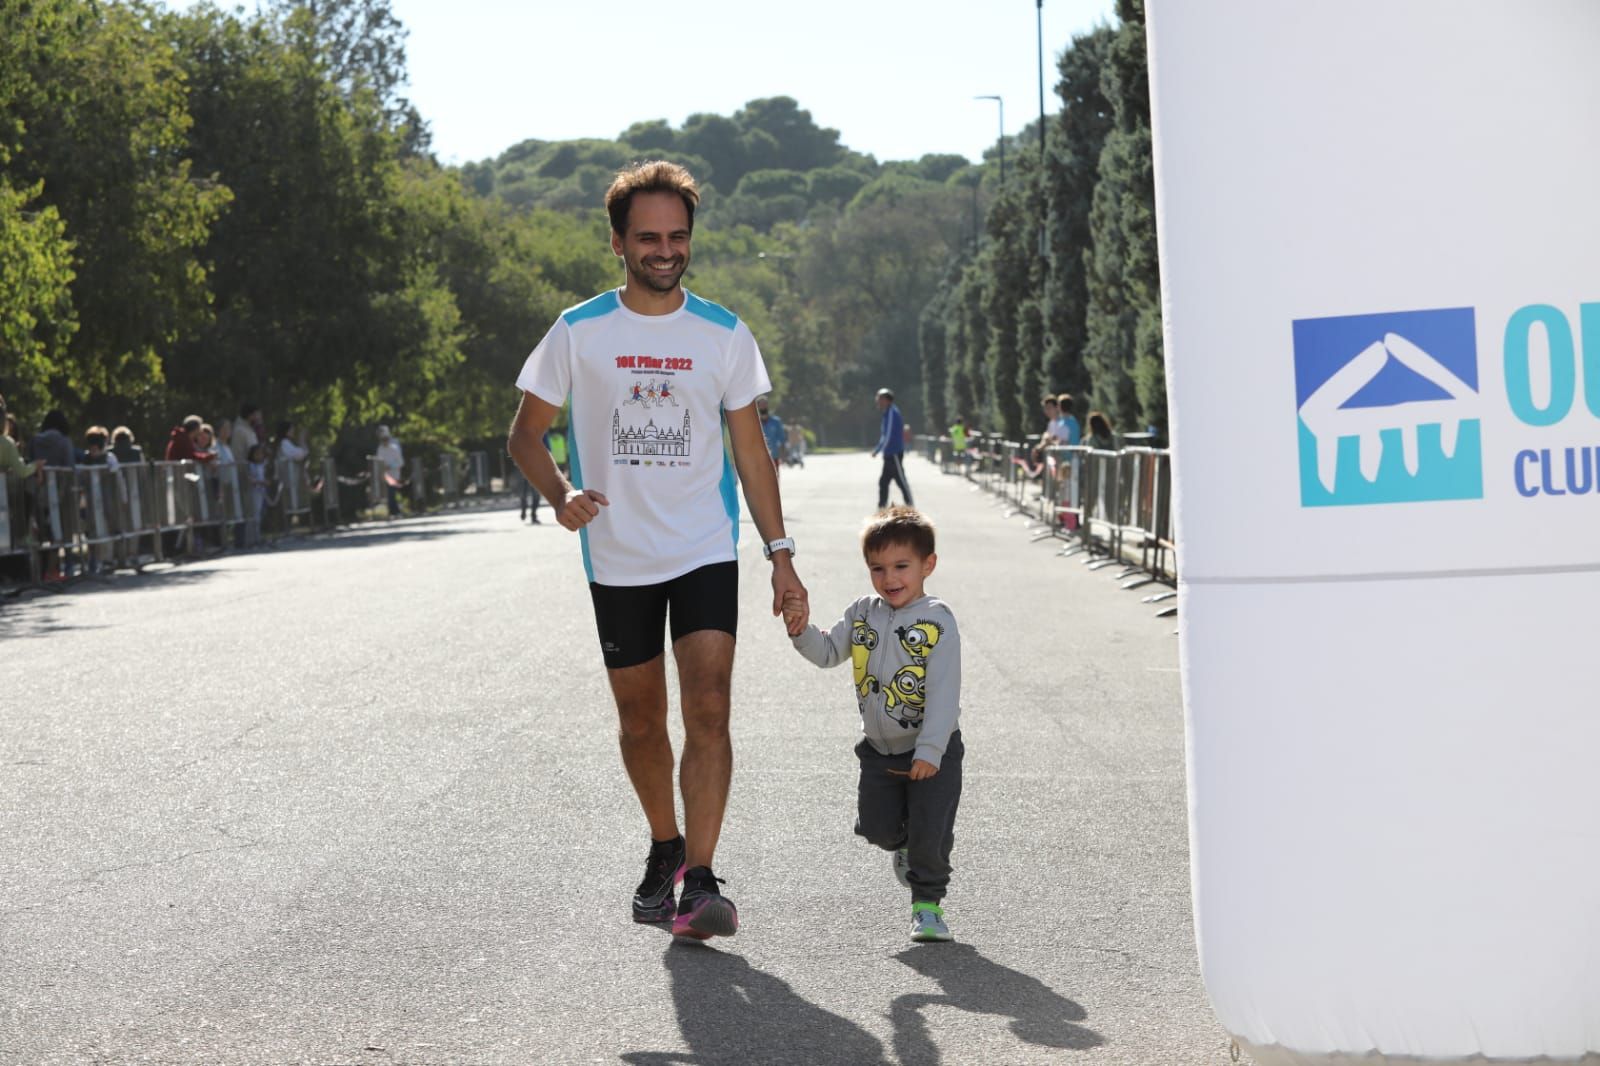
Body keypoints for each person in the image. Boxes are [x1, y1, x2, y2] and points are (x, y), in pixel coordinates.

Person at [507, 160, 808, 941]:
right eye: (648, 237)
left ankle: (702, 879)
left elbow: (751, 454)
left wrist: (780, 554)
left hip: (705, 547)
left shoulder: (725, 335)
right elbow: (525, 433)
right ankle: (665, 846)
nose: (665, 249)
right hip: (617, 555)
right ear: (618, 243)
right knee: (642, 721)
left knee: (709, 704)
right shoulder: (578, 331)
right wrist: (559, 493)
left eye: (677, 236)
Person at [782, 506, 963, 943]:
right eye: (877, 568)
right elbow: (828, 652)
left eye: (902, 566)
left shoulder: (936, 620)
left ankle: (927, 907)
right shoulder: (863, 612)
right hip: (879, 751)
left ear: (927, 566)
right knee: (879, 829)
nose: (889, 578)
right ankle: (901, 843)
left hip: (930, 750)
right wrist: (800, 629)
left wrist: (931, 749)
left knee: (930, 831)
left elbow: (943, 691)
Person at [872, 387, 913, 508]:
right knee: (883, 482)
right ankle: (882, 507)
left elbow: (888, 435)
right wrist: (878, 449)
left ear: (887, 400)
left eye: (880, 398)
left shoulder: (891, 413)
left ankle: (910, 504)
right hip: (888, 454)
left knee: (901, 481)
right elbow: (884, 435)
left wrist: (879, 450)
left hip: (894, 453)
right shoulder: (887, 413)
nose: (878, 401)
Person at [375, 425, 404, 518]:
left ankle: (394, 512)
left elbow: (401, 462)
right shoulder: (380, 449)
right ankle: (394, 511)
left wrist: (390, 466)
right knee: (389, 494)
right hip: (385, 475)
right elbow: (379, 461)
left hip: (394, 474)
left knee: (391, 493)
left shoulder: (394, 448)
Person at [757, 396, 785, 479]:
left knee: (774, 479)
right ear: (757, 406)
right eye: (761, 404)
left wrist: (783, 454)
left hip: (774, 456)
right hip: (758, 457)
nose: (763, 406)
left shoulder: (776, 421)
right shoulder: (754, 423)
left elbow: (782, 438)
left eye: (765, 404)